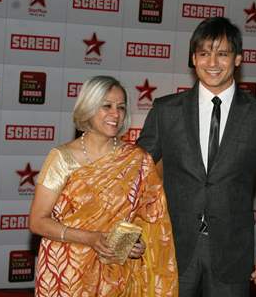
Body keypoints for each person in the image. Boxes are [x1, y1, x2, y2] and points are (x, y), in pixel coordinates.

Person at [137, 17, 256, 297]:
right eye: (204, 53)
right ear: (193, 58)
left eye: (222, 53)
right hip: (172, 248)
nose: (213, 62)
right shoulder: (165, 111)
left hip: (232, 254)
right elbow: (134, 174)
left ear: (238, 59)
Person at [29, 76, 178, 296]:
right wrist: (90, 238)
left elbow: (151, 221)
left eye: (121, 107)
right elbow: (37, 222)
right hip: (67, 273)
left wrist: (140, 245)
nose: (115, 114)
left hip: (117, 274)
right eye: (106, 106)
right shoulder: (63, 158)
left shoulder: (137, 160)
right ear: (88, 108)